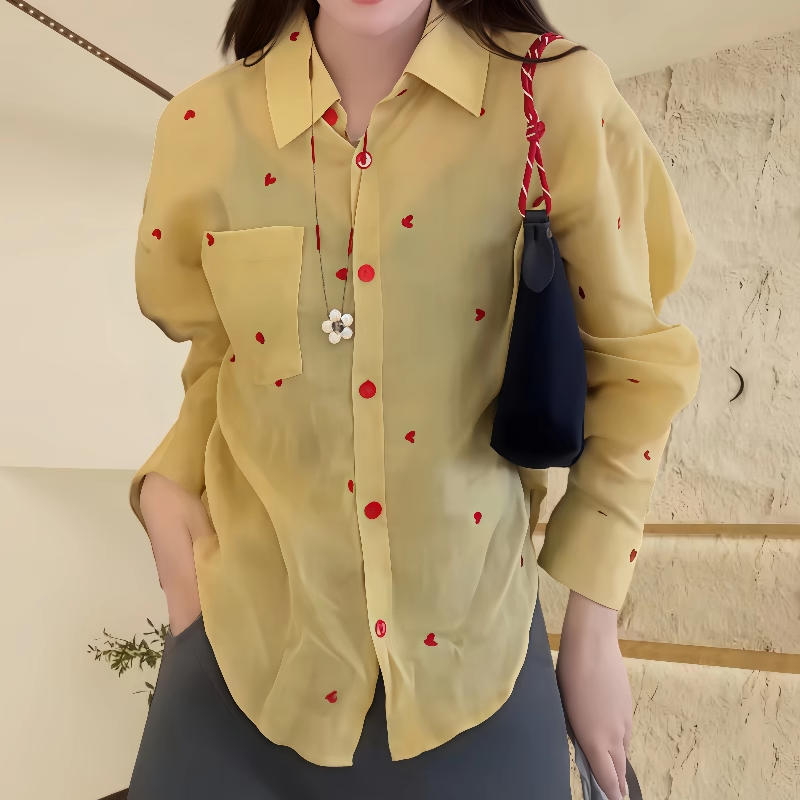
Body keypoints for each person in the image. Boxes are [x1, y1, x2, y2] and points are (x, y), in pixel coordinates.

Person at [126, 1, 701, 798]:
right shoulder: (202, 128)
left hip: (475, 682)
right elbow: (221, 355)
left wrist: (593, 628)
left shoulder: (557, 98)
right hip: (240, 663)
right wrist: (165, 485)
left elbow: (635, 371)